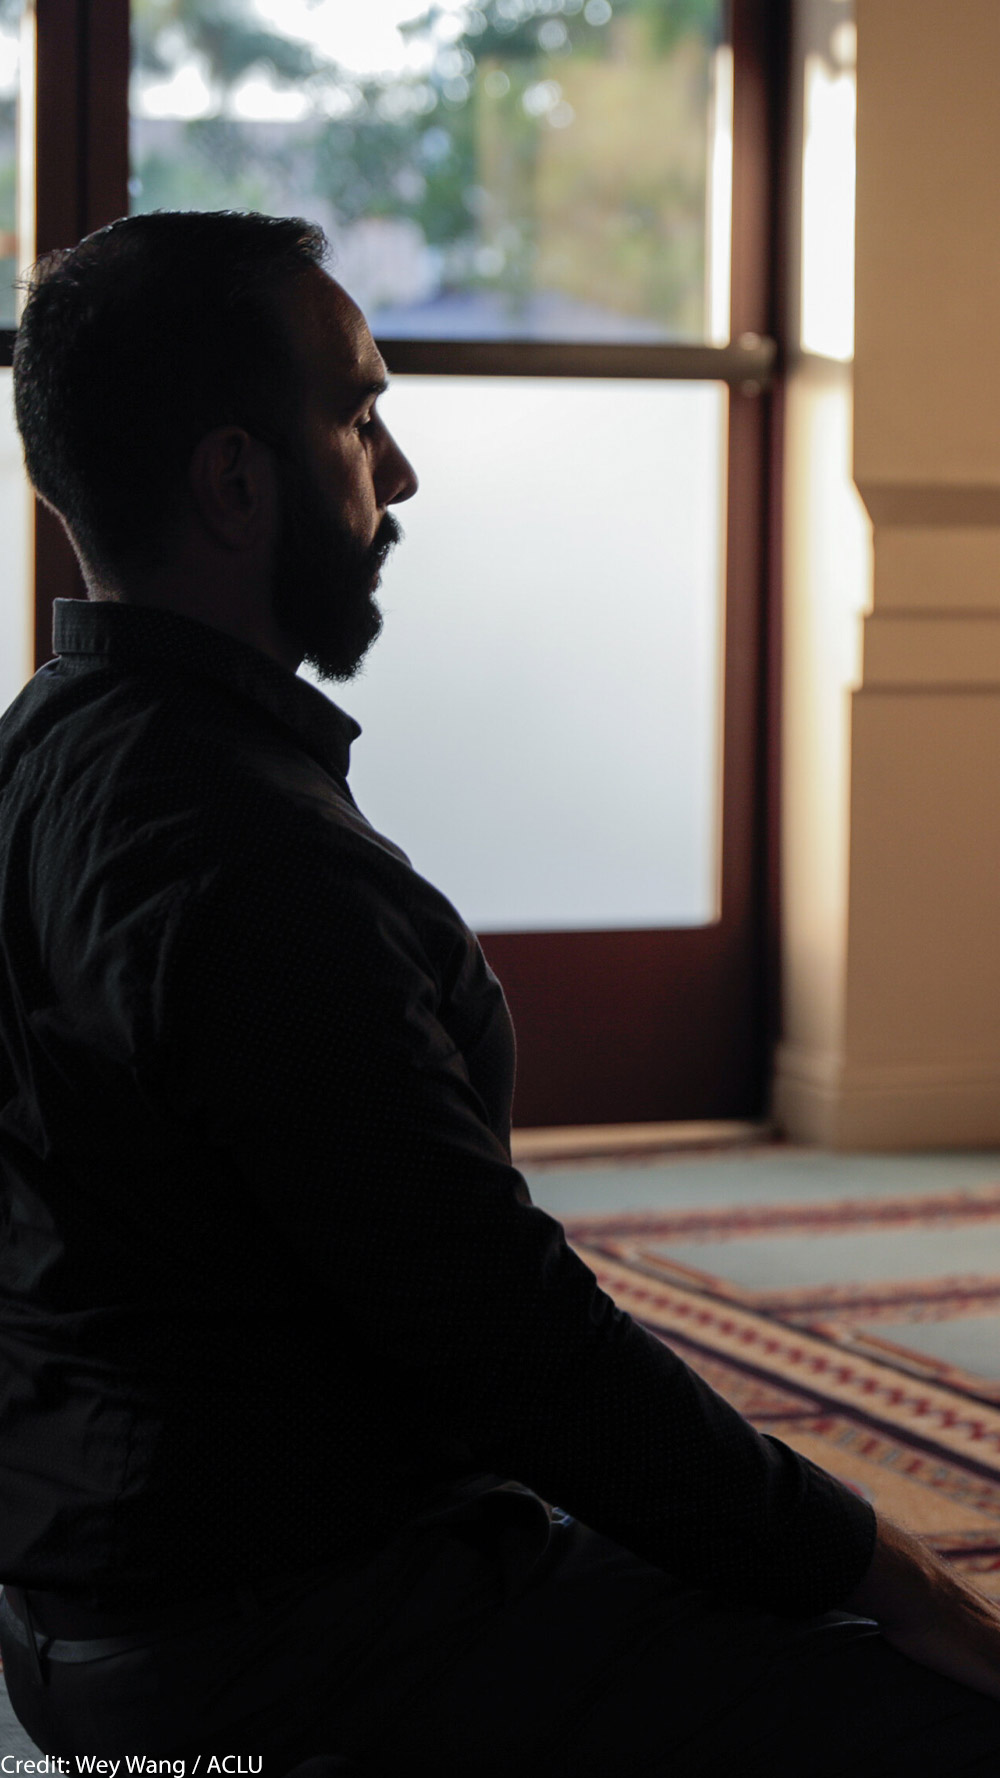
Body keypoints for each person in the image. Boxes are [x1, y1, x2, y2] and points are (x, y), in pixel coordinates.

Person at [0, 210, 998, 1778]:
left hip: (103, 1627)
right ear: (235, 480)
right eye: (359, 413)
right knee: (933, 1705)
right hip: (291, 1654)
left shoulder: (48, 753)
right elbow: (519, 1345)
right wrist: (900, 1569)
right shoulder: (242, 861)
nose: (395, 474)